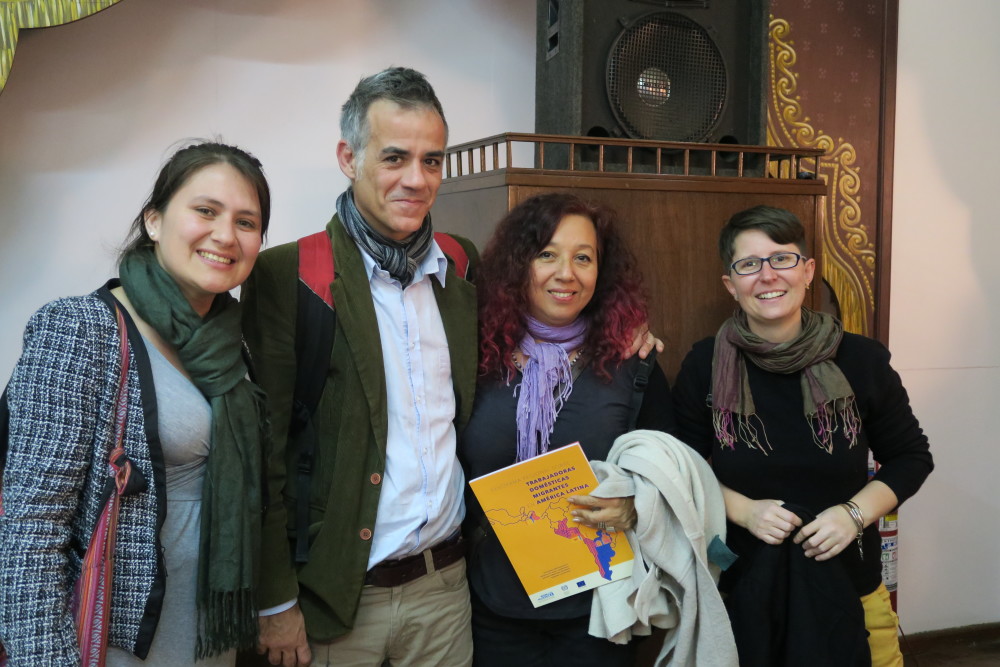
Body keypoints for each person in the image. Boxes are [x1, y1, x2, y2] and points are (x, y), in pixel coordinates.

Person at [0, 141, 272, 665]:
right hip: (117, 641)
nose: (225, 235)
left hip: (211, 634)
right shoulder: (80, 329)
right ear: (154, 220)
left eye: (246, 221)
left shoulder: (229, 343)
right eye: (205, 211)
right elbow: (30, 532)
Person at [241, 67, 478, 667]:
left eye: (432, 160)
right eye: (394, 157)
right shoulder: (286, 275)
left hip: (446, 592)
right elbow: (261, 455)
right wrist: (274, 603)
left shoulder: (460, 264)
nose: (416, 180)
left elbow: (541, 326)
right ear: (349, 157)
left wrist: (629, 331)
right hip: (335, 600)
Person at [671, 205, 934, 666]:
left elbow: (911, 458)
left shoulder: (862, 360)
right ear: (730, 284)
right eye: (748, 264)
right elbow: (678, 470)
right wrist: (744, 510)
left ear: (808, 270)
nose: (767, 275)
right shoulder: (704, 364)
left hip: (851, 585)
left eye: (782, 259)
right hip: (742, 590)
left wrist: (853, 515)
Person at [458, 192, 675, 667]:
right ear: (519, 265)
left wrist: (636, 504)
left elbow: (675, 472)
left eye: (583, 258)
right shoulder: (471, 356)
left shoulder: (632, 362)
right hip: (491, 609)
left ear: (602, 271)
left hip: (600, 614)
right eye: (546, 255)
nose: (566, 273)